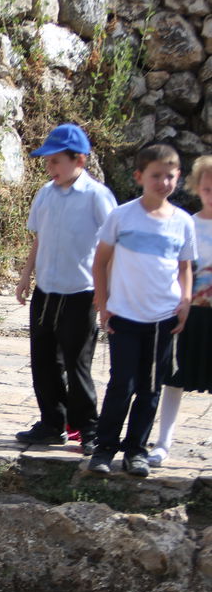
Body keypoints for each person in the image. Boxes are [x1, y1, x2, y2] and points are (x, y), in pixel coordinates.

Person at [88, 143, 195, 476]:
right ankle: (104, 448)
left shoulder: (182, 222)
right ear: (139, 177)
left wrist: (185, 301)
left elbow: (185, 267)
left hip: (162, 319)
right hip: (124, 315)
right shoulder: (122, 216)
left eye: (169, 176)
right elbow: (101, 262)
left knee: (150, 389)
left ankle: (136, 449)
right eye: (155, 175)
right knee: (122, 384)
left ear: (178, 178)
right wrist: (103, 304)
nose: (163, 182)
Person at [13, 124, 117, 452]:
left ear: (79, 161)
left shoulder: (97, 197)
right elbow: (39, 238)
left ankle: (87, 427)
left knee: (77, 361)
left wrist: (106, 294)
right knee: (44, 359)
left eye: (56, 161)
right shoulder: (45, 194)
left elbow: (112, 245)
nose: (50, 168)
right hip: (47, 290)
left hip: (81, 291)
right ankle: (51, 422)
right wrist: (26, 275)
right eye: (48, 162)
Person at [150, 155, 212, 466]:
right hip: (187, 312)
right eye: (208, 189)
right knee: (173, 379)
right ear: (197, 188)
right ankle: (162, 443)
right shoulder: (188, 223)